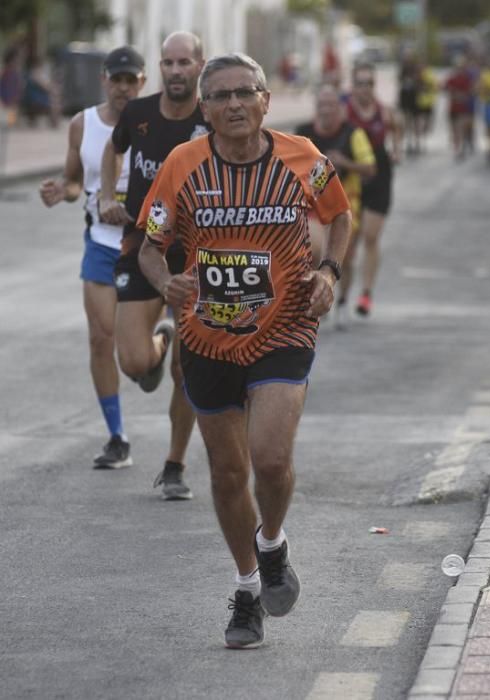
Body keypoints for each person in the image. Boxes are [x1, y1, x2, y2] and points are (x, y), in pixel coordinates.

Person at [137, 52, 352, 649]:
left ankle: (272, 538)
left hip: (284, 326)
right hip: (207, 335)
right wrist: (164, 283)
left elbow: (339, 216)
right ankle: (248, 585)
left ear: (265, 101)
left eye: (245, 93)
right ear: (203, 109)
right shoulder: (182, 165)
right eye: (221, 95)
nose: (234, 104)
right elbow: (151, 245)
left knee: (271, 461)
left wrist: (330, 273)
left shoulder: (303, 160)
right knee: (229, 472)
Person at [100, 31, 208, 500]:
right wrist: (108, 195)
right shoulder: (138, 113)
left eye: (185, 62)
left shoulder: (213, 117)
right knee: (135, 363)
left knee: (189, 372)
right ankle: (161, 341)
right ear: (160, 68)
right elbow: (113, 148)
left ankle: (174, 465)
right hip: (143, 244)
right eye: (168, 62)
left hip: (197, 252)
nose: (176, 70)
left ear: (200, 65)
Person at [39, 46, 146, 468]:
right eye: (116, 79)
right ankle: (117, 436)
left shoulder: (153, 124)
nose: (122, 87)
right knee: (100, 340)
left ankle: (155, 348)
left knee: (136, 356)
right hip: (101, 244)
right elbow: (72, 183)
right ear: (105, 80)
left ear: (142, 83)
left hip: (147, 248)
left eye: (130, 80)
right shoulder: (82, 124)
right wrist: (58, 192)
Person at [296, 84, 376, 326]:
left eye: (331, 105)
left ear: (340, 109)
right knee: (315, 251)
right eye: (322, 105)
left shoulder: (353, 134)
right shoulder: (304, 134)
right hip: (312, 207)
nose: (326, 110)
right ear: (316, 108)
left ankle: (341, 301)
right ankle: (316, 298)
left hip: (346, 206)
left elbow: (370, 169)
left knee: (346, 259)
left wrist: (344, 163)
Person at [343, 61, 401, 318]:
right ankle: (343, 294)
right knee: (349, 242)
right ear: (352, 86)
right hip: (352, 179)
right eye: (359, 83)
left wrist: (396, 150)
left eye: (369, 83)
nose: (364, 88)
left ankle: (366, 292)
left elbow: (397, 130)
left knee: (370, 236)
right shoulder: (344, 113)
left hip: (379, 177)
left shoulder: (384, 112)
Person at [443, 55, 476, 161]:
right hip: (453, 108)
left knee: (460, 128)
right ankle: (458, 147)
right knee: (454, 130)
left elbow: (472, 90)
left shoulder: (467, 79)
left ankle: (461, 148)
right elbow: (444, 88)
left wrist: (463, 96)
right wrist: (453, 93)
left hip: (464, 108)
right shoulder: (452, 78)